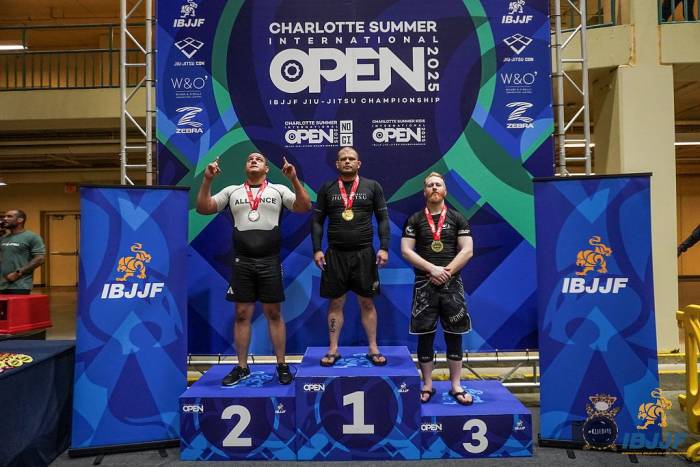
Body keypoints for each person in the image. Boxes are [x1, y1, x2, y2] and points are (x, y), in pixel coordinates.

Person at [196, 152, 311, 385]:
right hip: (242, 262)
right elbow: (203, 208)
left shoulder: (278, 190)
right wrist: (207, 180)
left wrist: (293, 179)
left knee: (274, 313)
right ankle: (242, 367)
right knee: (241, 314)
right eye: (249, 159)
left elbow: (304, 206)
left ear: (267, 168)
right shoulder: (232, 191)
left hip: (270, 261)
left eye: (259, 159)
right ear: (245, 167)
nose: (254, 160)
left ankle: (281, 365)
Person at [312, 147, 390, 366]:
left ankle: (373, 347)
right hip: (335, 254)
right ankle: (333, 348)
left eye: (351, 158)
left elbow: (383, 219)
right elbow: (317, 221)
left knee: (367, 302)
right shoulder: (327, 188)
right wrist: (317, 249)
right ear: (337, 164)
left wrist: (384, 247)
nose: (347, 161)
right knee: (336, 302)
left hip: (364, 253)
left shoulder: (372, 186)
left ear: (358, 163)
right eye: (343, 159)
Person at [400, 173, 474, 405]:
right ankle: (427, 385)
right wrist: (432, 269)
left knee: (454, 334)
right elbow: (406, 250)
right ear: (424, 192)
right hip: (425, 284)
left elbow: (467, 250)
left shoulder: (458, 218)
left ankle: (456, 386)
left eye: (438, 184)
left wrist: (446, 272)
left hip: (452, 284)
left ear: (445, 191)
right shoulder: (414, 219)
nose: (434, 187)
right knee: (425, 335)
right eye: (430, 185)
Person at [0, 209, 46, 295]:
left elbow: (40, 259)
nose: (5, 219)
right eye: (4, 217)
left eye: (9, 216)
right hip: (2, 284)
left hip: (20, 285)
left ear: (20, 220)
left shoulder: (32, 237)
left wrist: (18, 273)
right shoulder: (3, 238)